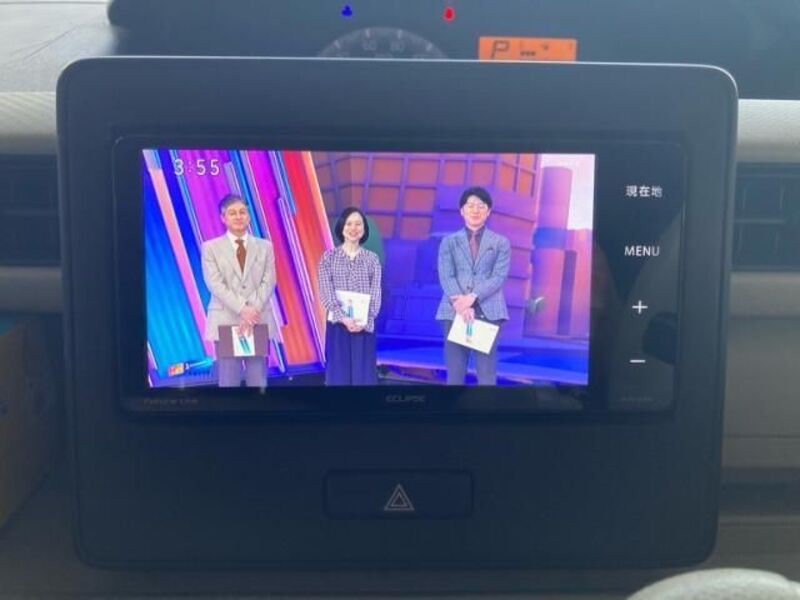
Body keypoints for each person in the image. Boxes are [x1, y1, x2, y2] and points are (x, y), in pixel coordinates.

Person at [436, 186, 511, 385]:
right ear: (462, 211)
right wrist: (461, 304)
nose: (475, 210)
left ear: (488, 211)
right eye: (470, 206)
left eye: (481, 206)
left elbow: (498, 276)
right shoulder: (448, 242)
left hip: (489, 309)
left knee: (486, 374)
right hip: (454, 310)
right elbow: (446, 275)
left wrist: (472, 298)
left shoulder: (501, 242)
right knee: (455, 372)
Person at [201, 193, 278, 387]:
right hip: (225, 319)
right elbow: (214, 283)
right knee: (229, 381)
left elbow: (269, 281)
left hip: (257, 319)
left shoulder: (265, 246)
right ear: (223, 218)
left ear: (248, 216)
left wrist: (252, 310)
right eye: (232, 213)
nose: (238, 217)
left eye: (242, 212)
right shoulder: (210, 248)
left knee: (258, 380)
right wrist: (243, 309)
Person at [317, 207, 382, 385]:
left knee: (364, 379)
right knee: (338, 378)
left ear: (364, 229)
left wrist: (365, 320)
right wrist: (344, 318)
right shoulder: (328, 258)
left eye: (358, 224)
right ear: (342, 227)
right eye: (349, 224)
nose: (353, 228)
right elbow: (326, 292)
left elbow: (376, 293)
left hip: (364, 327)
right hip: (338, 326)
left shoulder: (372, 259)